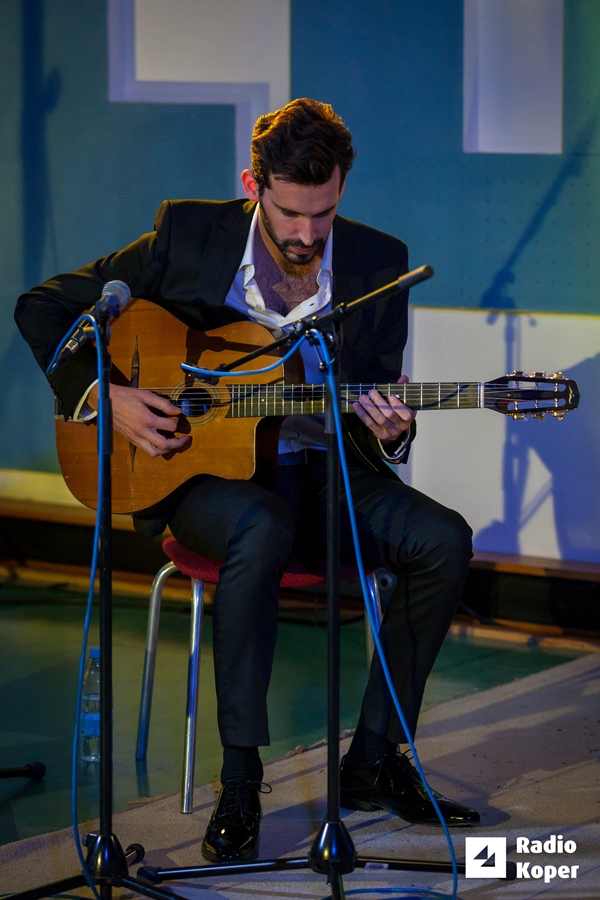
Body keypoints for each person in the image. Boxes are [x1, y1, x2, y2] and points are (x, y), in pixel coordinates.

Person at [15, 98, 478, 863]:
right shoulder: (189, 234)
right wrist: (106, 395)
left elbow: (372, 404)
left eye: (323, 214)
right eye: (290, 213)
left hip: (321, 471)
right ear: (252, 184)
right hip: (195, 475)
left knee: (443, 537)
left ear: (341, 188)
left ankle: (373, 759)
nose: (307, 235)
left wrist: (394, 430)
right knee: (260, 523)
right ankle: (240, 779)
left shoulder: (378, 261)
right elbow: (44, 308)